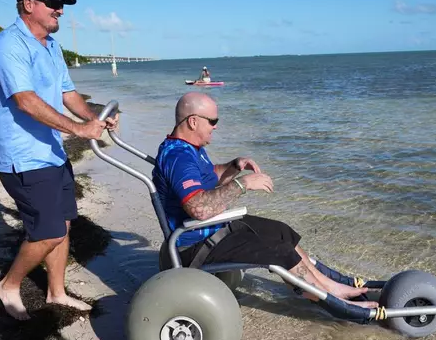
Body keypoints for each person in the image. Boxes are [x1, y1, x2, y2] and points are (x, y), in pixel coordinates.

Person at [153, 92, 378, 309]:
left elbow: (208, 175)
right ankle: (331, 300)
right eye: (213, 120)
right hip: (196, 245)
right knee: (279, 251)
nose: (216, 126)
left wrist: (234, 166)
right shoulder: (178, 157)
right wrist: (244, 184)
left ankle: (330, 286)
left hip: (214, 230)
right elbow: (199, 208)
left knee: (282, 232)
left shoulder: (191, 149)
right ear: (193, 121)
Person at [0, 0, 119, 320]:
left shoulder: (51, 46)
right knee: (49, 231)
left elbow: (67, 93)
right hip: (23, 157)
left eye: (60, 3)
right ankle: (9, 286)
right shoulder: (8, 45)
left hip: (51, 152)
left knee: (63, 224)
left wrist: (96, 118)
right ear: (28, 5)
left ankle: (56, 292)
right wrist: (78, 129)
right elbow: (25, 101)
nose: (59, 9)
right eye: (52, 3)